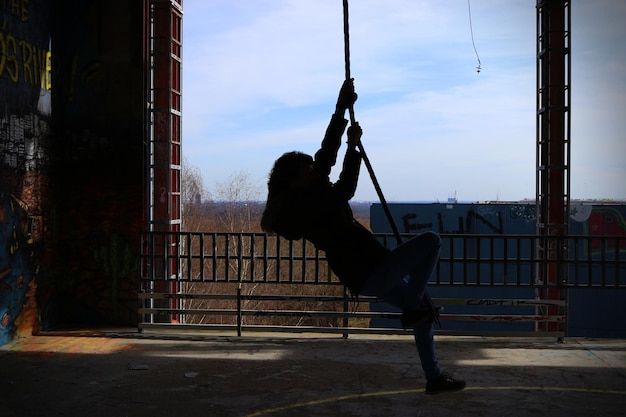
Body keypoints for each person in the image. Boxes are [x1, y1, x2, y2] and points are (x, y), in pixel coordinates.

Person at [261, 79, 466, 394]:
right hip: (370, 268)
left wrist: (342, 107)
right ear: (295, 182)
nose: (314, 171)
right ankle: (414, 308)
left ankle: (434, 377)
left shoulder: (306, 193)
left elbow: (325, 153)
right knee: (431, 241)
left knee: (421, 311)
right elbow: (344, 188)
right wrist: (352, 147)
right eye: (308, 171)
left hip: (367, 271)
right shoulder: (309, 205)